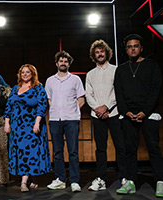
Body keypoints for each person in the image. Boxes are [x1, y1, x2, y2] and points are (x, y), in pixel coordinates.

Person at [114, 34, 163, 197]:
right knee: (130, 150)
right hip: (128, 114)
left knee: (154, 149)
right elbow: (119, 93)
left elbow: (156, 91)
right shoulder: (121, 69)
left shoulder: (152, 66)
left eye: (135, 46)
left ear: (141, 48)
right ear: (126, 50)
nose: (132, 49)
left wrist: (145, 111)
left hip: (149, 113)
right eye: (129, 46)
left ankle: (160, 182)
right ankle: (130, 182)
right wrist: (126, 111)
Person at [85, 39, 126, 191]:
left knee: (120, 147)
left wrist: (107, 107)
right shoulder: (90, 74)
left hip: (114, 113)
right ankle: (101, 179)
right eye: (97, 52)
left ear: (106, 52)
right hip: (97, 115)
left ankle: (124, 177)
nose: (100, 54)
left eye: (102, 51)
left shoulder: (116, 70)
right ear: (93, 55)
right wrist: (98, 109)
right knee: (100, 149)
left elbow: (118, 92)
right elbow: (88, 94)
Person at [4, 64, 50, 192]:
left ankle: (23, 182)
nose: (24, 74)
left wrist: (37, 123)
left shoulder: (38, 88)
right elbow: (9, 106)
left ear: (32, 74)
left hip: (30, 127)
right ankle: (33, 179)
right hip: (17, 128)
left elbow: (42, 106)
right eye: (22, 72)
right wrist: (7, 123)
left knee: (29, 153)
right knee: (21, 153)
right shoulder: (15, 88)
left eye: (27, 72)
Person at [45, 50, 85, 192]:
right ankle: (60, 179)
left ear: (69, 64)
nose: (63, 63)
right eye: (61, 61)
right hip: (55, 119)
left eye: (66, 61)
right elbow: (49, 99)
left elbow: (81, 99)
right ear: (57, 63)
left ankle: (74, 181)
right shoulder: (50, 80)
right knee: (57, 152)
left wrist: (72, 110)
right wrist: (56, 108)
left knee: (73, 151)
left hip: (72, 119)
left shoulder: (75, 79)